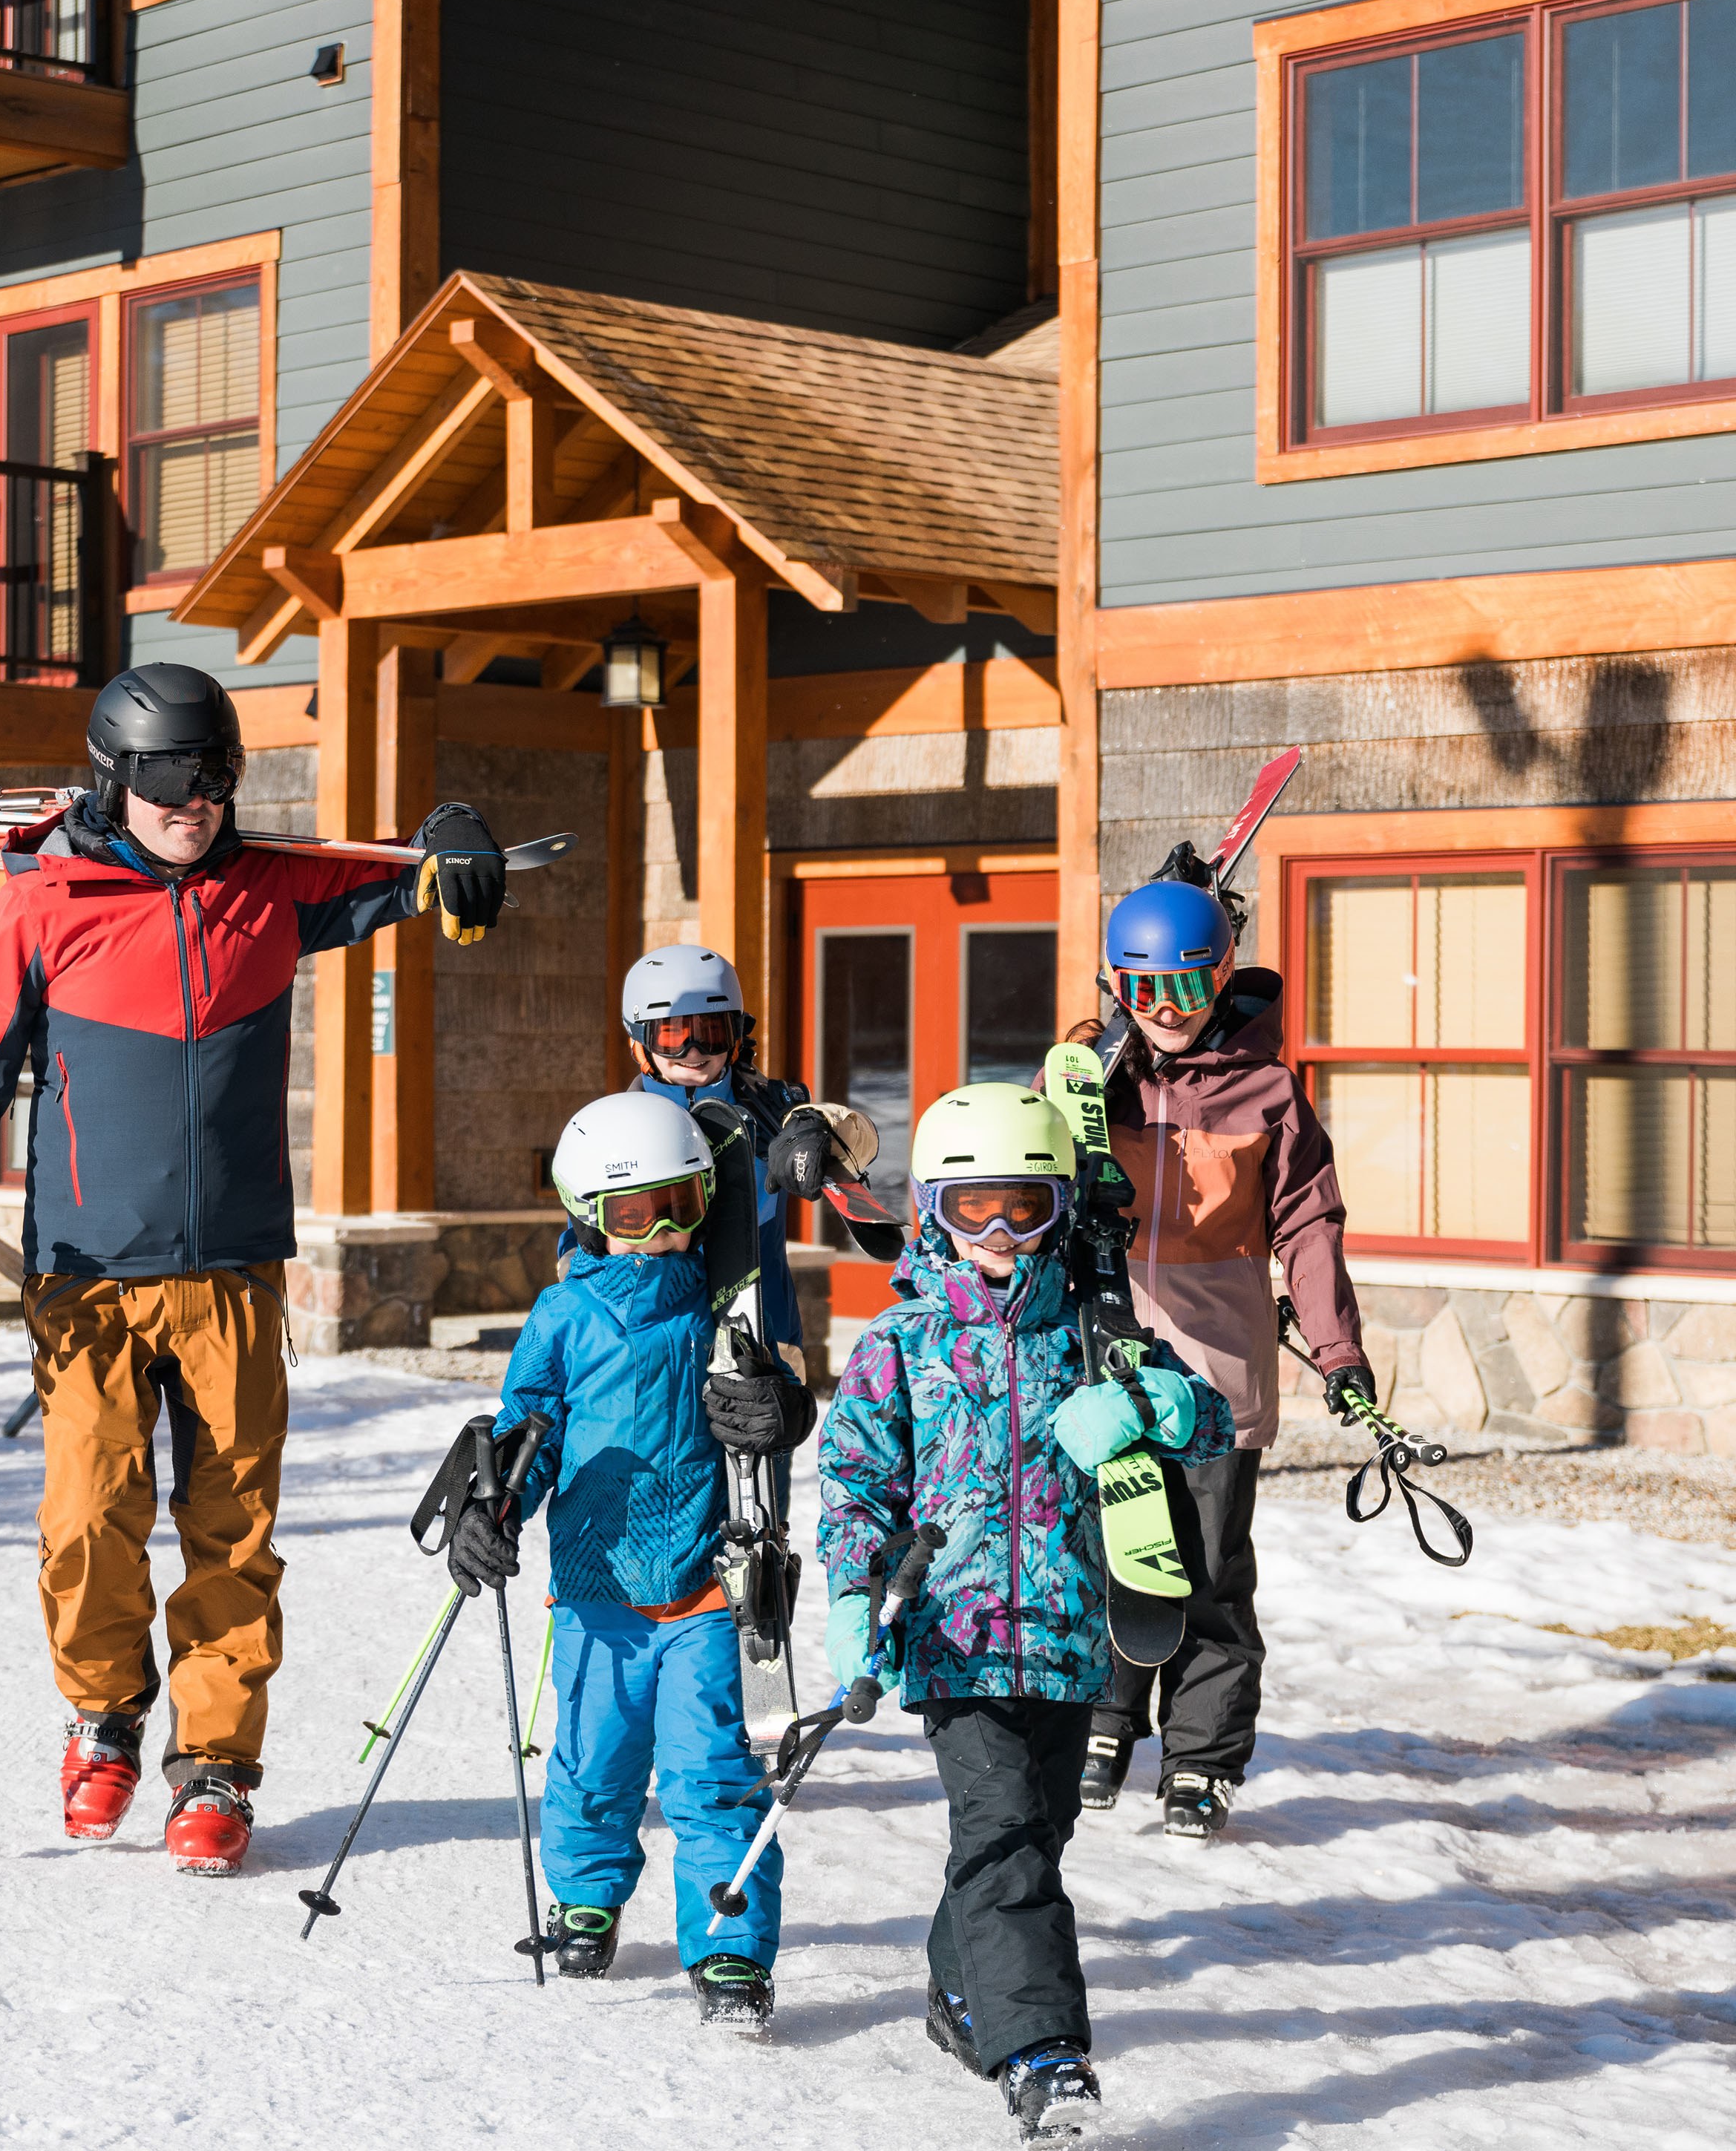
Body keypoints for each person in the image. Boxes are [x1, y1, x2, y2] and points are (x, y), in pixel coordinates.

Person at [0, 661, 511, 1877]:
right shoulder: (44, 902)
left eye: (219, 776)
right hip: (87, 1274)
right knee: (87, 1516)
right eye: (173, 778)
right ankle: (104, 1715)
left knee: (234, 1533)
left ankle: (216, 1765)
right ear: (115, 778)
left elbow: (402, 880)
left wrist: (449, 845)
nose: (199, 802)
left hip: (233, 1269)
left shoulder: (269, 893)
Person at [819, 1082, 1231, 2136]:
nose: (1000, 1235)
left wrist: (1144, 1401)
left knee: (1034, 1836)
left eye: (1025, 1208)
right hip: (953, 1641)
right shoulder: (899, 1343)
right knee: (1002, 1835)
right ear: (931, 1213)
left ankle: (963, 1994)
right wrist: (856, 1593)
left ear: (1060, 1208)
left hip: (1070, 1639)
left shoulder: (1095, 1331)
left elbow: (1212, 1423)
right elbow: (857, 1484)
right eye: (973, 1211)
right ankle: (1043, 2054)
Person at [452, 1090, 813, 2029]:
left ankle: (730, 1947)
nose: (657, 1233)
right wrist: (497, 1505)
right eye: (630, 1213)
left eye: (679, 1207)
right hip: (598, 1593)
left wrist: (784, 1404)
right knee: (592, 1764)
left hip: (705, 1591)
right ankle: (586, 1893)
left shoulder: (724, 1309)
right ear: (588, 1216)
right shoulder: (564, 1316)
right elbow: (532, 1428)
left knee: (713, 1779)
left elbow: (771, 1414)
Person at [1070, 878, 1370, 1840]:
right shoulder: (1093, 1069)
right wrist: (1086, 1074)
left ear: (1222, 977)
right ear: (1119, 984)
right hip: (1107, 1358)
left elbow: (1311, 1224)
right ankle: (1104, 1722)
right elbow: (1030, 1175)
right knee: (1104, 1548)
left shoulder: (1268, 1091)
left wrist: (1338, 1350)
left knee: (1205, 1566)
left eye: (1188, 990)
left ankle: (1200, 1757)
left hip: (1216, 1369)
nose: (1167, 1012)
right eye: (1146, 991)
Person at [609, 944, 877, 1464]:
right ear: (638, 1043)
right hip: (652, 1352)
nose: (693, 1050)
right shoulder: (616, 1128)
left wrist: (816, 1128)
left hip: (763, 1352)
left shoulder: (771, 1107)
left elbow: (857, 1141)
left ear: (737, 1034)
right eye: (672, 1034)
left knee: (756, 1518)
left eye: (711, 1031)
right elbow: (579, 1247)